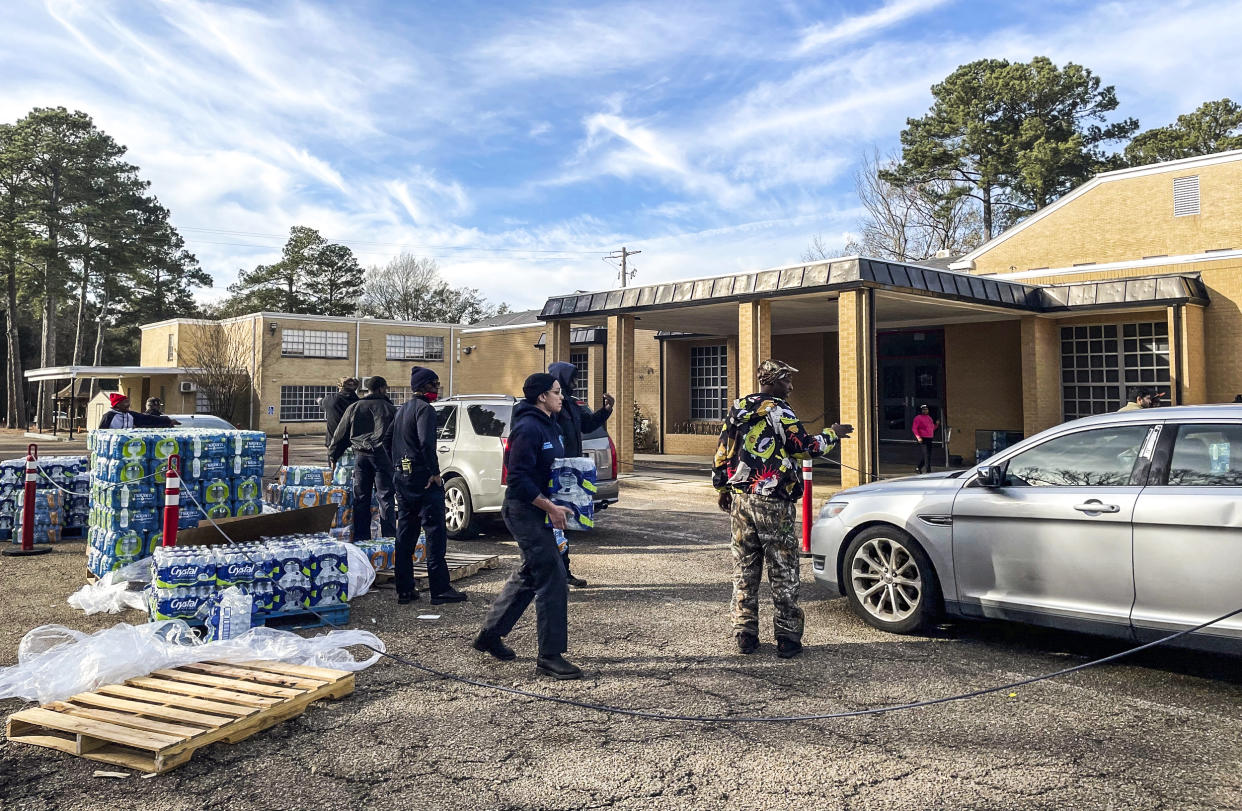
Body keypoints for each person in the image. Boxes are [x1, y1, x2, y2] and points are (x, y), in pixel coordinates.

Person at [713, 359, 852, 659]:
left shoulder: (738, 407)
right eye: (787, 380)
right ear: (773, 381)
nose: (791, 386)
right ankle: (788, 638)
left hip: (741, 499)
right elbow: (804, 447)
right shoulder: (779, 409)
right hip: (774, 499)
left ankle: (745, 634)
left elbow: (723, 449)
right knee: (783, 568)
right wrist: (833, 434)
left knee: (744, 569)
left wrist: (722, 487)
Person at [473, 372, 580, 680]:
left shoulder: (551, 424)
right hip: (523, 511)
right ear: (541, 396)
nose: (562, 396)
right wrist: (549, 507)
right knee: (553, 576)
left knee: (530, 573)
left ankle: (490, 634)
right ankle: (549, 656)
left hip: (543, 511)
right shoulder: (527, 428)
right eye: (557, 392)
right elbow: (517, 479)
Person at [390, 366, 467, 606]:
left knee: (406, 534)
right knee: (435, 533)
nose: (437, 389)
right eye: (434, 385)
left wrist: (397, 467)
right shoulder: (425, 410)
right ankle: (440, 589)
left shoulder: (402, 409)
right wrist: (434, 473)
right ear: (423, 387)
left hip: (403, 478)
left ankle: (405, 589)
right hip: (423, 479)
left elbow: (385, 440)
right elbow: (426, 443)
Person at [546, 361, 616, 588]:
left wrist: (605, 411)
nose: (576, 383)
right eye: (573, 378)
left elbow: (587, 426)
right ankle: (550, 574)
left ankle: (563, 572)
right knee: (552, 525)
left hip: (572, 471)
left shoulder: (572, 405)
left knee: (565, 524)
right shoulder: (551, 406)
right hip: (555, 472)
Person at [328, 376, 397, 543]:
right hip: (383, 458)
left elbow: (340, 434)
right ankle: (389, 539)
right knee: (385, 497)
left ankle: (361, 538)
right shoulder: (390, 409)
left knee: (361, 498)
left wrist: (333, 456)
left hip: (361, 457)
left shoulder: (355, 407)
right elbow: (398, 436)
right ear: (382, 388)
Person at [321, 377, 361, 459]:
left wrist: (319, 400)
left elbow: (321, 403)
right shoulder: (359, 402)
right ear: (355, 387)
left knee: (335, 470)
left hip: (334, 444)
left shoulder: (330, 399)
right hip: (354, 443)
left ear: (339, 386)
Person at [98, 393, 178, 429]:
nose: (128, 404)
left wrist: (167, 421)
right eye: (125, 402)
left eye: (128, 402)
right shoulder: (109, 416)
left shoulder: (130, 415)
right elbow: (101, 433)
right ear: (117, 405)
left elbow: (148, 419)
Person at [912, 404, 939, 474]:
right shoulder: (918, 418)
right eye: (923, 409)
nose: (925, 410)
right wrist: (918, 437)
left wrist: (936, 425)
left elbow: (932, 428)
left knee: (928, 454)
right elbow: (914, 428)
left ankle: (919, 467)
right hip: (923, 438)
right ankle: (928, 470)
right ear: (921, 410)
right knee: (926, 454)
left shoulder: (929, 418)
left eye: (926, 409)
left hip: (930, 438)